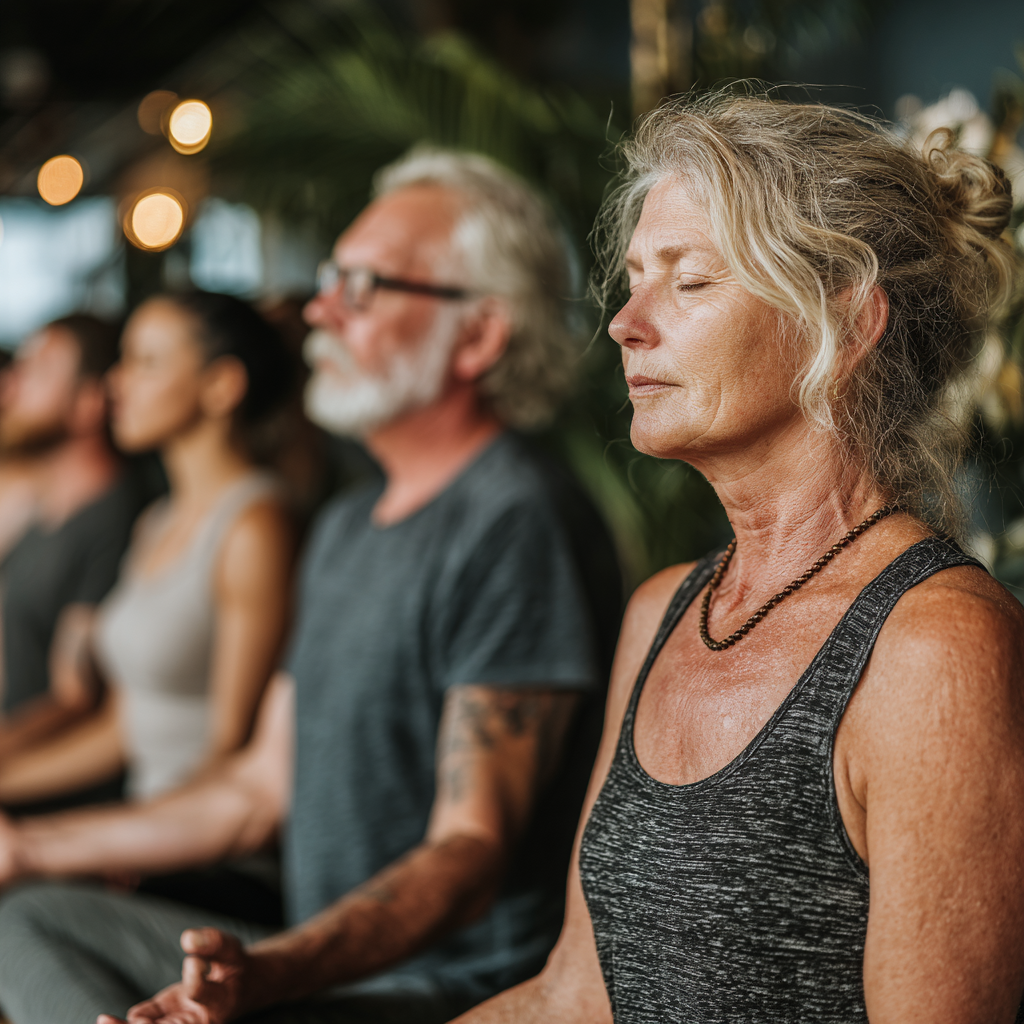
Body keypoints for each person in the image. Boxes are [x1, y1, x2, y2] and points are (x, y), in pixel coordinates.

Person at [0, 148, 621, 1024]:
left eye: (364, 288)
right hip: (311, 960)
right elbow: (257, 789)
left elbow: (470, 847)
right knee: (27, 921)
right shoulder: (344, 524)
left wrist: (274, 973)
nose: (321, 308)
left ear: (478, 335)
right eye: (333, 278)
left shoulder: (515, 520)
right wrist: (26, 846)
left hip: (438, 989)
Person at [450, 93, 1024, 1024]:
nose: (626, 323)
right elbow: (576, 996)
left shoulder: (935, 649)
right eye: (635, 278)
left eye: (690, 281)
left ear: (845, 324)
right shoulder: (663, 612)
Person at [0, 293, 296, 814]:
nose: (116, 382)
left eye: (146, 362)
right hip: (143, 821)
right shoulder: (156, 522)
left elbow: (232, 746)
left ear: (221, 386)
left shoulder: (254, 526)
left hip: (207, 851)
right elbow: (122, 730)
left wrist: (102, 842)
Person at [0, 316, 142, 794]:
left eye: (39, 371)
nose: (11, 386)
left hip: (47, 793)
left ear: (88, 405)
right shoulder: (42, 509)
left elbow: (75, 695)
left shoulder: (114, 519)